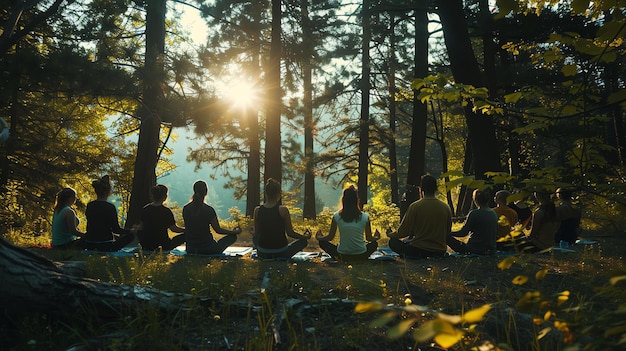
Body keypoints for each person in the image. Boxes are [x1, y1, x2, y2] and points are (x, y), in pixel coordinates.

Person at [387, 175, 452, 258]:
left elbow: (403, 232)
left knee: (392, 242)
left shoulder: (415, 206)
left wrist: (390, 234)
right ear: (436, 188)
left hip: (418, 250)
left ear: (421, 189)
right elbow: (448, 231)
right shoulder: (445, 207)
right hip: (439, 251)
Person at [316, 186, 380, 261]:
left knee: (322, 243)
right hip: (361, 255)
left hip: (342, 255)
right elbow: (369, 238)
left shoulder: (336, 216)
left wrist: (319, 237)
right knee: (374, 244)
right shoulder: (365, 217)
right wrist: (376, 237)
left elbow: (330, 237)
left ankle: (340, 256)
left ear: (343, 200)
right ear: (356, 200)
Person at [253, 178, 311, 259]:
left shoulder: (257, 210)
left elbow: (256, 233)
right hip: (281, 252)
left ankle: (264, 254)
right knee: (303, 242)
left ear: (265, 193)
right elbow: (290, 233)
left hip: (263, 252)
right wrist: (304, 237)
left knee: (255, 238)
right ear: (279, 194)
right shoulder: (283, 210)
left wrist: (252, 232)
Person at [182, 180, 241, 255]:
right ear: (206, 192)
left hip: (191, 249)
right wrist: (233, 232)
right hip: (209, 249)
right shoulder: (208, 210)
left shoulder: (186, 208)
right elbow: (218, 230)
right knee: (233, 237)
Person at [83, 175, 136, 251]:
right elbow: (116, 230)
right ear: (108, 192)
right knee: (131, 236)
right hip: (106, 245)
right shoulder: (110, 207)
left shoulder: (90, 205)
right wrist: (131, 231)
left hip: (89, 243)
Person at [447, 189, 498, 255]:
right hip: (491, 250)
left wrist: (450, 233)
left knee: (446, 237)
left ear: (475, 200)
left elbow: (463, 233)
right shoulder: (493, 213)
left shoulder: (474, 214)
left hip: (474, 249)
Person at [137, 184, 186, 251]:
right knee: (184, 236)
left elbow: (141, 227)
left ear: (152, 196)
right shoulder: (166, 212)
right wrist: (186, 230)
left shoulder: (145, 209)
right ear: (165, 197)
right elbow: (174, 229)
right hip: (163, 244)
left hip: (146, 244)